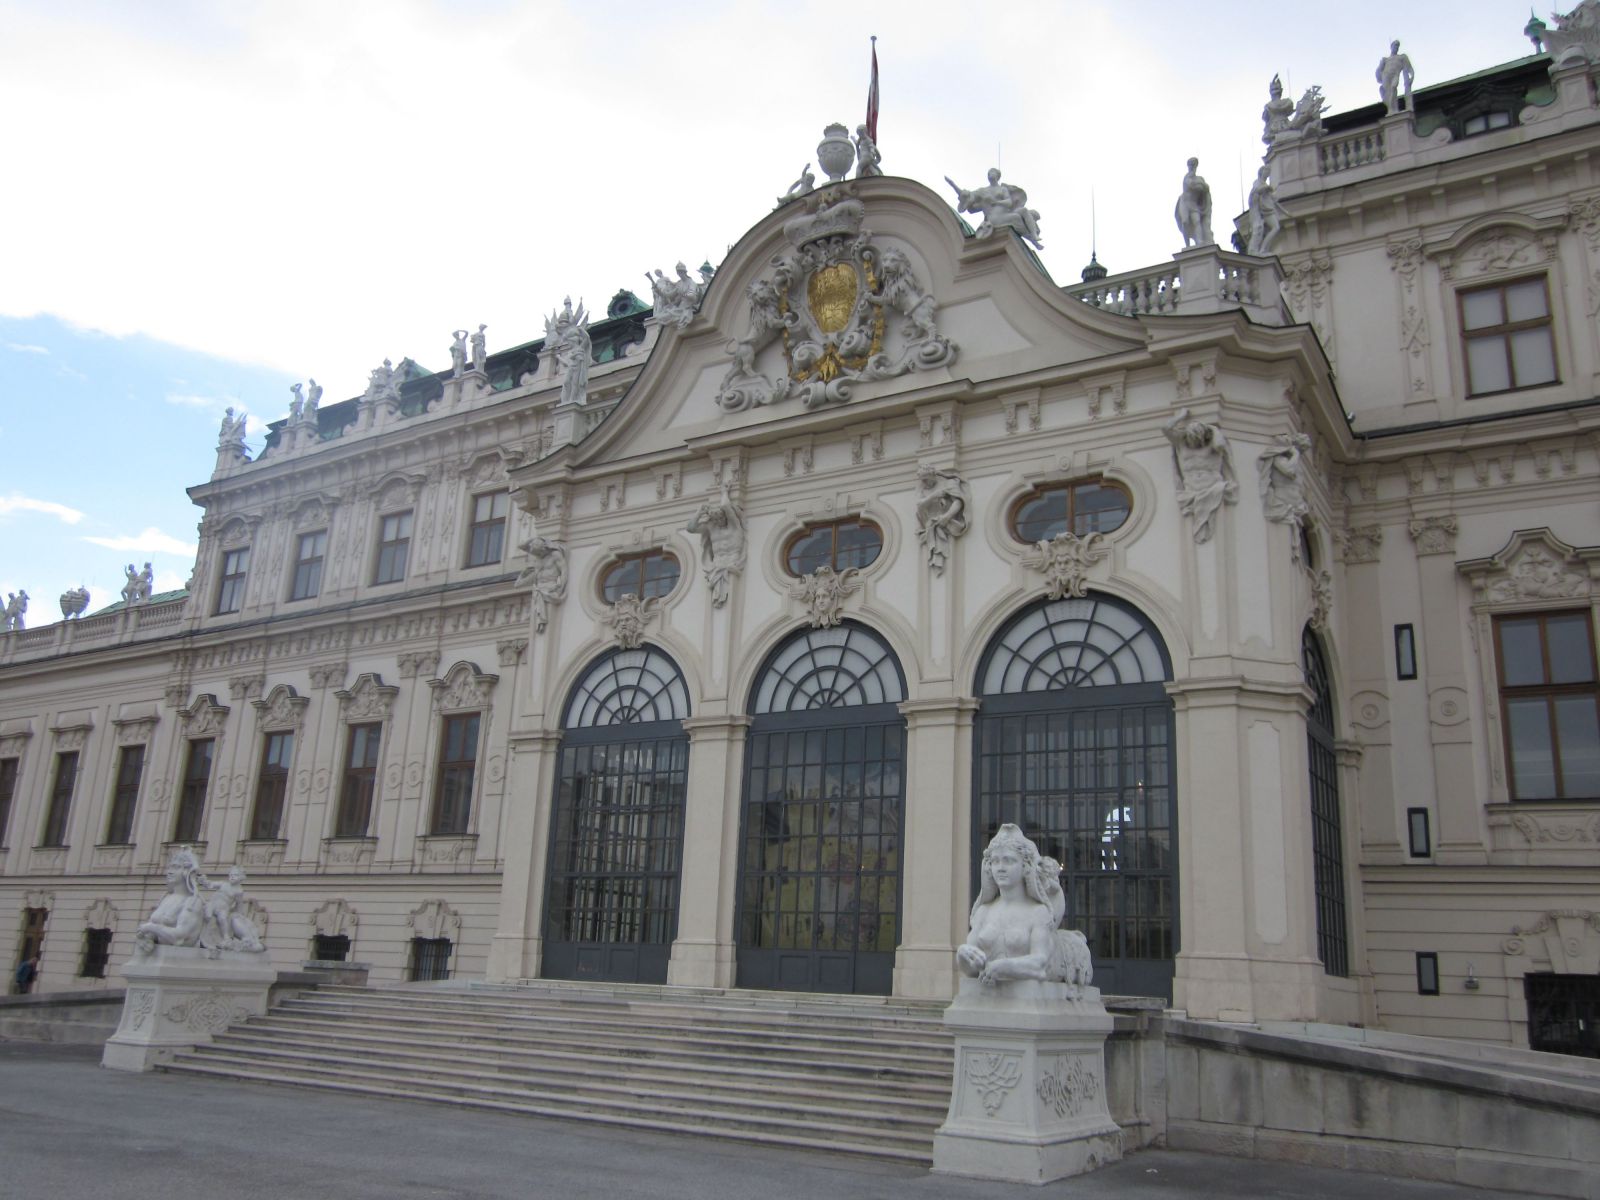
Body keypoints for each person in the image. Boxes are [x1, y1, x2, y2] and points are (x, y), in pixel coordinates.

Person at [956, 824, 1089, 987]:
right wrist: (963, 955)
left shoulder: (1038, 912)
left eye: (1008, 861)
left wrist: (1003, 968)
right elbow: (971, 970)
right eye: (995, 861)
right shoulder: (983, 912)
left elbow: (1040, 964)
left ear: (1025, 866)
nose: (1000, 868)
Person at [945, 168, 1044, 249]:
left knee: (1024, 210)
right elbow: (968, 196)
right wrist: (954, 186)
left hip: (1004, 214)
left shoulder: (1002, 189)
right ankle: (1033, 240)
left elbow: (1009, 202)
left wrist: (997, 202)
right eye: (989, 173)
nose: (990, 174)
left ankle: (1034, 235)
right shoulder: (982, 191)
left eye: (993, 172)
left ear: (997, 176)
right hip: (994, 218)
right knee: (1016, 218)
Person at [1174, 157, 1214, 248]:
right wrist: (1201, 185)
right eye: (1190, 165)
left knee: (1197, 221)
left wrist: (1202, 186)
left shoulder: (1200, 179)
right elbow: (1191, 185)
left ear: (1196, 166)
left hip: (1194, 205)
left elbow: (1205, 189)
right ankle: (1187, 245)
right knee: (1185, 222)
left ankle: (1199, 241)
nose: (1192, 167)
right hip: (1184, 203)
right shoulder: (1187, 177)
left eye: (1193, 165)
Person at [1377, 39, 1415, 114]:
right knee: (1387, 93)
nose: (1396, 47)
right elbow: (1379, 71)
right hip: (1386, 76)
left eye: (1397, 46)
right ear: (1391, 47)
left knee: (1393, 87)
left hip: (1395, 75)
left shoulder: (1401, 57)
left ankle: (1394, 109)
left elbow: (1410, 68)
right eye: (1395, 45)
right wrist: (1380, 71)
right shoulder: (1386, 59)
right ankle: (1392, 109)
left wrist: (1412, 76)